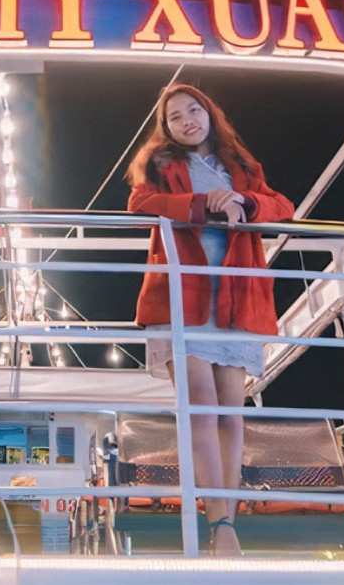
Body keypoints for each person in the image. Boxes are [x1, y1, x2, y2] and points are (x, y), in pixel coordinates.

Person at [126, 84, 294, 555]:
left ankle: (228, 520)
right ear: (167, 129)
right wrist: (205, 204)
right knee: (201, 405)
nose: (187, 121)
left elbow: (283, 206)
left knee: (230, 413)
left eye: (193, 110)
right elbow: (140, 206)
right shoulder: (161, 165)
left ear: (209, 114)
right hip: (184, 299)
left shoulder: (241, 167)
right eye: (175, 117)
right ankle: (220, 524)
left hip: (236, 302)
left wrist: (245, 202)